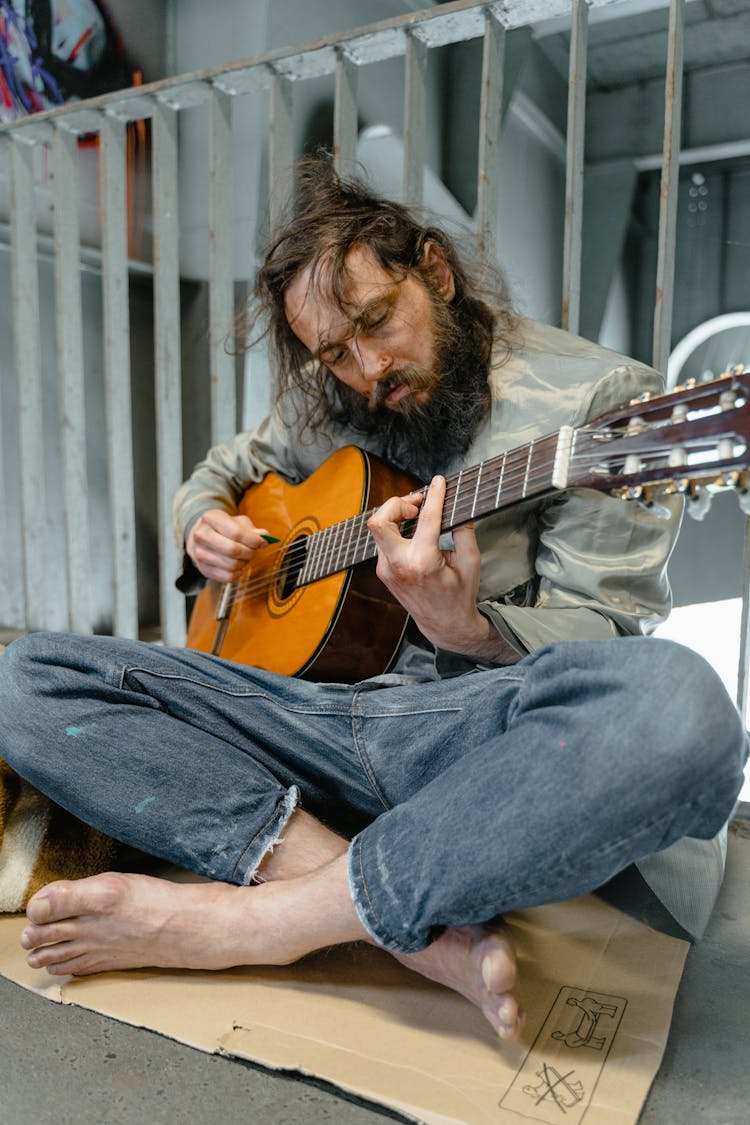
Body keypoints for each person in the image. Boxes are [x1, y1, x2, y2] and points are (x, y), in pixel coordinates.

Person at [0, 160, 746, 1042]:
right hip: (305, 714)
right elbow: (222, 470)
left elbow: (604, 638)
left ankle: (254, 923)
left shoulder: (597, 404)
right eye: (335, 352)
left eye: (377, 322)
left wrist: (461, 624)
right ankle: (388, 904)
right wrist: (203, 522)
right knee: (30, 675)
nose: (367, 368)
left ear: (435, 269)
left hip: (462, 733)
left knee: (678, 706)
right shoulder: (338, 391)